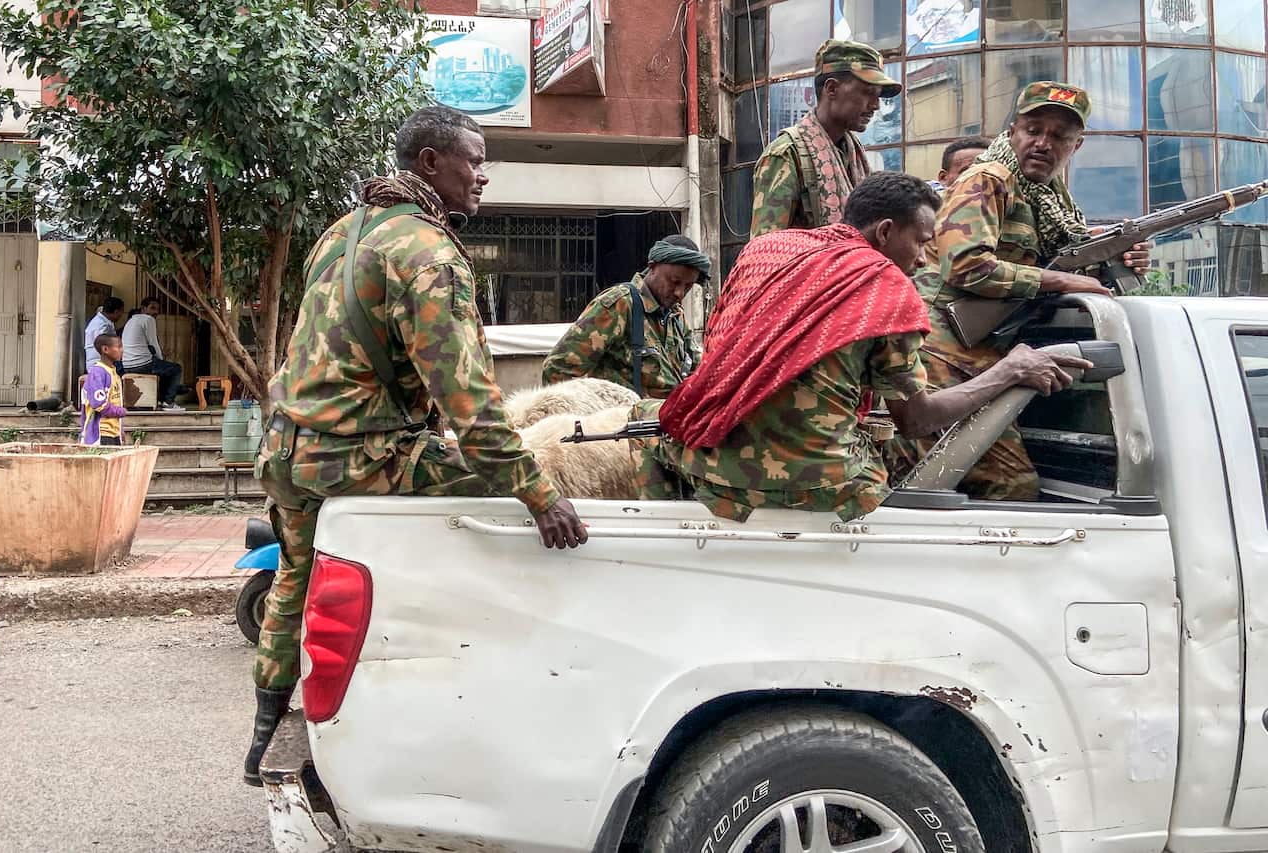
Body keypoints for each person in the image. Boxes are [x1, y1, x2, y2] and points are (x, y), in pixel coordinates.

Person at [244, 106, 588, 785]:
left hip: (287, 449)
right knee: (506, 485)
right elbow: (473, 408)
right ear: (431, 164)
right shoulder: (427, 254)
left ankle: (263, 743)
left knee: (294, 577)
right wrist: (542, 495)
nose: (483, 177)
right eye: (475, 161)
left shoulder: (344, 232)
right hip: (358, 454)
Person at [633, 172, 1092, 522]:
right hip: (823, 488)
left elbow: (723, 339)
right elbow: (917, 419)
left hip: (711, 467)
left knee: (644, 422)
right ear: (886, 232)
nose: (923, 257)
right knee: (892, 466)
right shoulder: (888, 292)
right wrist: (1010, 370)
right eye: (922, 242)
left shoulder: (765, 252)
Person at [887, 82, 1151, 501]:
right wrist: (1063, 280)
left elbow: (1061, 256)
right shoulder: (988, 178)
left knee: (994, 485)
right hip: (938, 350)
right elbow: (966, 265)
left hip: (982, 353)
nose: (1044, 143)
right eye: (1034, 130)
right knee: (931, 483)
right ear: (1012, 133)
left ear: (1075, 146)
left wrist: (1119, 258)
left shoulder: (1051, 201)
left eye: (1059, 136)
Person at [749, 40, 901, 237]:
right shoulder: (786, 155)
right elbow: (765, 252)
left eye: (878, 96)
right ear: (831, 89)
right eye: (867, 93)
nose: (875, 105)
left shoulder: (855, 157)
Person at [541, 235, 708, 398]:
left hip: (669, 420)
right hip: (623, 420)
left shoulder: (675, 315)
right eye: (674, 281)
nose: (679, 293)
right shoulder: (619, 305)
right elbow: (557, 370)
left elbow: (698, 368)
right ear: (652, 267)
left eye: (688, 286)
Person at [120, 297, 184, 411]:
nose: (156, 312)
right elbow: (153, 343)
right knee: (176, 369)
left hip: (127, 365)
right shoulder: (148, 320)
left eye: (157, 309)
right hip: (142, 364)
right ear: (143, 309)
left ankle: (161, 400)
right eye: (152, 308)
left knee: (165, 369)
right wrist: (161, 359)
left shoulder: (131, 320)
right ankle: (168, 402)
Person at [79, 334, 127, 446]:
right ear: (105, 349)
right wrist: (121, 411)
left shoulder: (114, 372)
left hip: (113, 433)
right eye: (119, 346)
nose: (122, 350)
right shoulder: (98, 373)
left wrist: (120, 429)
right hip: (100, 434)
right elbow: (99, 404)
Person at [83, 297, 124, 373]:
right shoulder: (101, 325)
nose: (121, 315)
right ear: (116, 311)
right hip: (99, 365)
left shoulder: (105, 322)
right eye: (121, 312)